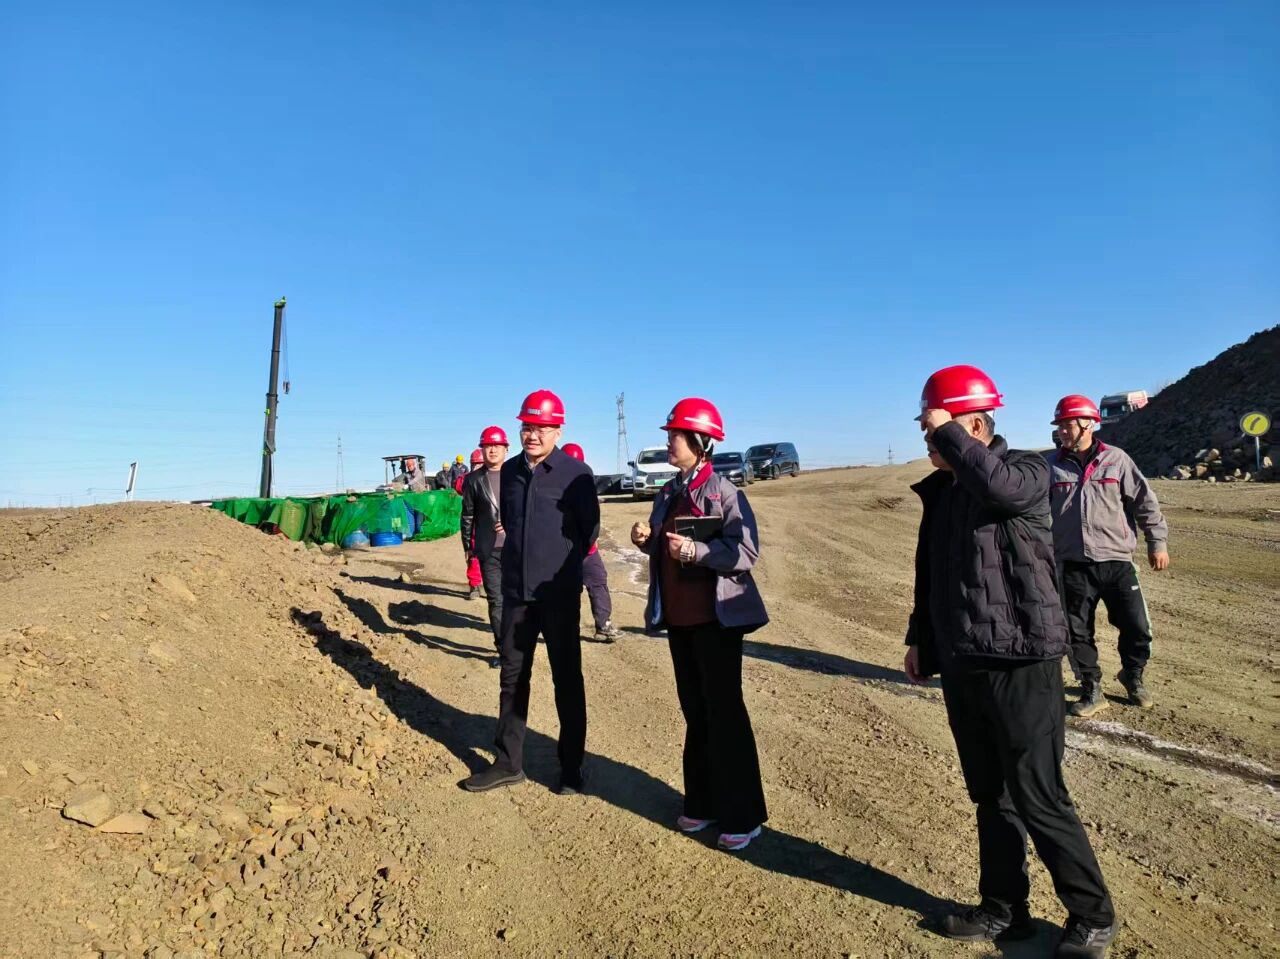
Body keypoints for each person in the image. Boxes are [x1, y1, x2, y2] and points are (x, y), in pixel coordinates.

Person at [905, 366, 1117, 958]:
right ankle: (1005, 910)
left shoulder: (1027, 470)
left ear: (973, 426)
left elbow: (997, 488)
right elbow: (930, 575)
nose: (928, 440)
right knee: (989, 794)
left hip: (1021, 661)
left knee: (1037, 794)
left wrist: (949, 434)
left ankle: (1092, 916)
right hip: (965, 661)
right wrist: (921, 639)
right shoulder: (944, 492)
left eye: (934, 428)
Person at [630, 398, 769, 853]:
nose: (670, 441)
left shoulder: (726, 492)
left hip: (716, 622)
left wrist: (698, 553)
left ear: (700, 441)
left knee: (724, 714)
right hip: (681, 621)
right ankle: (704, 802)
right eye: (671, 434)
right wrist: (646, 540)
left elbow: (745, 551)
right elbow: (664, 546)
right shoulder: (668, 491)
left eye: (676, 435)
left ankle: (744, 816)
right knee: (695, 711)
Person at [462, 390, 599, 796]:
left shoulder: (576, 474)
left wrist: (560, 570)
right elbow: (508, 522)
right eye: (526, 427)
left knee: (566, 679)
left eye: (541, 427)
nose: (532, 435)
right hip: (517, 595)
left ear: (558, 431)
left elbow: (588, 531)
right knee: (512, 676)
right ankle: (508, 763)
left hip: (557, 595)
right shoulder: (511, 472)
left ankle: (571, 768)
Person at [1047, 395, 1169, 716]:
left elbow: (1144, 502)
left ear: (1088, 424)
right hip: (1072, 564)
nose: (1062, 431)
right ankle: (1091, 688)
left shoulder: (1116, 460)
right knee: (1077, 632)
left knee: (1137, 627)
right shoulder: (1051, 466)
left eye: (1068, 425)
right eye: (1059, 425)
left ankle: (1133, 675)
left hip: (1117, 561)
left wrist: (1157, 543)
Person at [562, 443, 623, 643]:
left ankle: (603, 625)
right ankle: (564, 630)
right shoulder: (553, 489)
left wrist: (589, 542)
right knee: (568, 591)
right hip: (564, 552)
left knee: (598, 581)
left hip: (588, 550)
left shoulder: (585, 485)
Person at [461, 432, 509, 666]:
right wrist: (468, 547)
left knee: (519, 600)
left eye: (497, 445)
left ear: (506, 448)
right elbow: (467, 515)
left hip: (517, 549)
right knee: (496, 601)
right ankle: (504, 651)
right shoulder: (473, 480)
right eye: (487, 445)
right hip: (488, 549)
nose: (492, 450)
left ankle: (519, 647)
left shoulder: (518, 475)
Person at [458, 449, 486, 600]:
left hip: (491, 523)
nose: (477, 467)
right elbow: (458, 486)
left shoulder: (495, 477)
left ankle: (494, 587)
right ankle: (474, 585)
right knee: (473, 555)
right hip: (473, 523)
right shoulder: (467, 479)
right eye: (474, 464)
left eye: (480, 464)